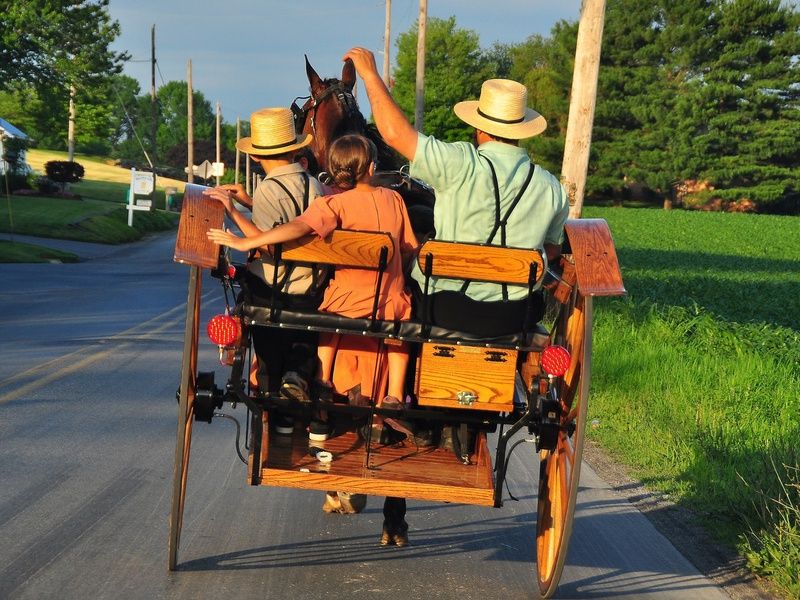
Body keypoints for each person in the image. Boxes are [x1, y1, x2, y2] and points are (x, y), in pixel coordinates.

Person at [342, 47, 570, 336]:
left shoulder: (460, 162)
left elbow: (395, 134)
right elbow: (550, 250)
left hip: (444, 309)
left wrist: (370, 74)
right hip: (514, 316)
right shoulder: (552, 188)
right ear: (520, 132)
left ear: (479, 129)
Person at [204, 107, 327, 432]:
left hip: (275, 290)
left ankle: (277, 404)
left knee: (247, 283)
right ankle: (298, 376)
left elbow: (268, 243)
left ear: (258, 157)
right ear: (294, 149)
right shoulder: (314, 184)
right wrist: (249, 203)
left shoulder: (269, 189)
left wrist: (233, 211)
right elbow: (294, 225)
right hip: (312, 290)